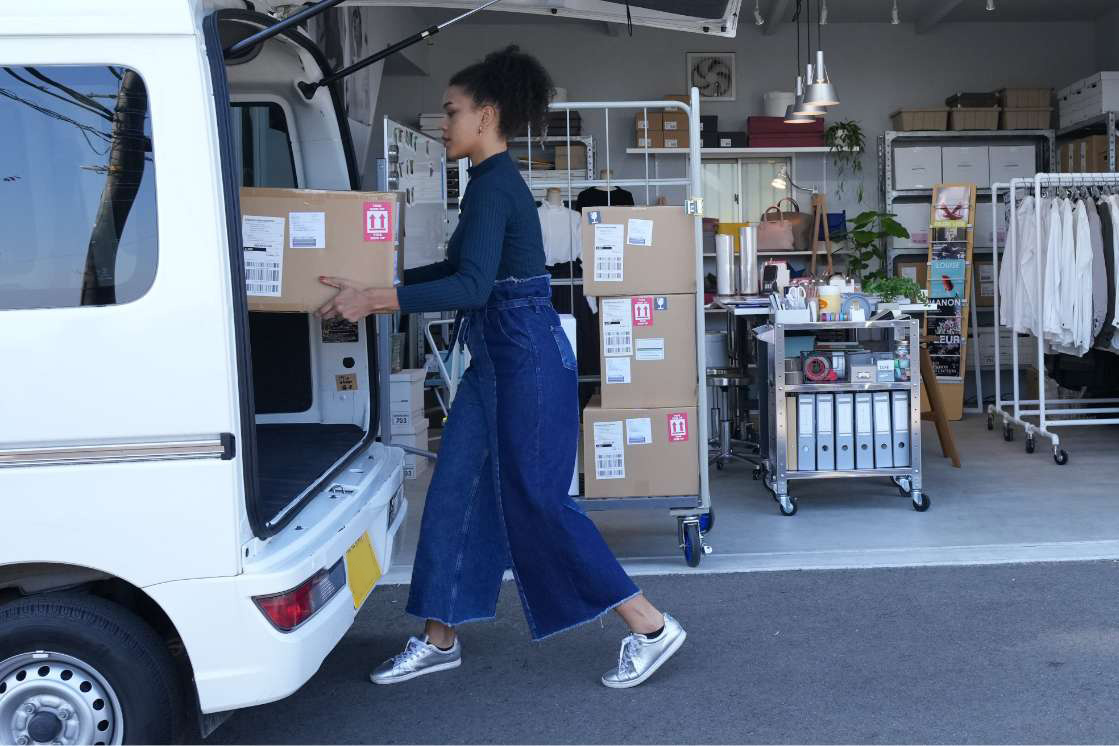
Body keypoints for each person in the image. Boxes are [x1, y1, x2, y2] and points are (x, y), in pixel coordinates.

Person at [316, 46, 685, 689]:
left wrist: (376, 299)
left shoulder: (494, 186)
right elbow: (458, 271)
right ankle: (440, 637)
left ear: (486, 115)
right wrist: (380, 280)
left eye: (452, 112)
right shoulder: (487, 183)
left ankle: (650, 626)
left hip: (525, 359)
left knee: (537, 500)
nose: (444, 123)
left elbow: (472, 287)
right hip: (497, 357)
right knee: (454, 489)